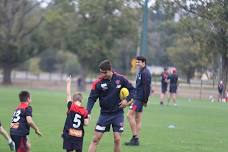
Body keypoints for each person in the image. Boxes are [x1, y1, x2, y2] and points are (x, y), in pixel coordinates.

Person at [87, 59, 134, 152]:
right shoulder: (98, 83)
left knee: (117, 139)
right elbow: (92, 98)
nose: (102, 75)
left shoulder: (120, 79)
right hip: (104, 115)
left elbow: (133, 90)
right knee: (96, 139)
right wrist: (88, 111)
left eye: (104, 73)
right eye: (100, 72)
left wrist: (127, 100)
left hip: (118, 114)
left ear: (110, 70)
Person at [125, 56, 152, 146]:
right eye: (136, 62)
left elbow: (147, 88)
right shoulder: (141, 71)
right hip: (138, 98)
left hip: (139, 99)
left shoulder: (145, 73)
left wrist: (145, 100)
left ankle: (135, 137)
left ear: (143, 62)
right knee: (137, 119)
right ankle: (136, 140)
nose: (137, 64)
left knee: (129, 115)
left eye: (139, 62)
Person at [62, 76, 89, 152]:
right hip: (79, 134)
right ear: (81, 100)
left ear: (73, 100)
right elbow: (86, 123)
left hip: (69, 133)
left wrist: (68, 83)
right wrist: (87, 118)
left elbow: (68, 95)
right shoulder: (84, 111)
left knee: (69, 150)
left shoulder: (71, 106)